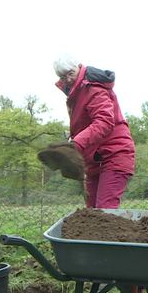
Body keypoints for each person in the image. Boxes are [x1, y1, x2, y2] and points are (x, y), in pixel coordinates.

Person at [52, 57, 136, 209]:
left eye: (70, 73)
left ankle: (116, 232)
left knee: (104, 211)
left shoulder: (93, 88)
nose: (68, 79)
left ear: (78, 67)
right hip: (95, 159)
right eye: (63, 77)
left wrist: (76, 144)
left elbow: (104, 121)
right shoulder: (76, 94)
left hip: (114, 154)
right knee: (91, 213)